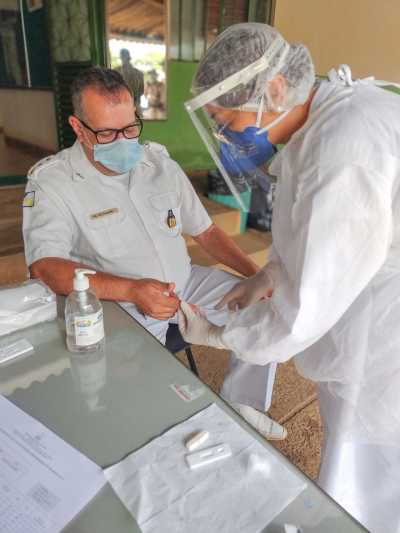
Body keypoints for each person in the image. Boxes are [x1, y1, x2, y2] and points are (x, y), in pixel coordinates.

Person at [179, 22, 400, 533]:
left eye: (225, 119)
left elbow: (307, 307)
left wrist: (222, 334)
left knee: (370, 452)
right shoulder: (316, 125)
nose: (224, 135)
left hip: (388, 320)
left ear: (273, 89)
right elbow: (304, 228)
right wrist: (269, 274)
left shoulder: (345, 146)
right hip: (370, 288)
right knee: (348, 427)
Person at [22, 66, 286, 440]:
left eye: (130, 128)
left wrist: (256, 276)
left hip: (186, 283)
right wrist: (131, 290)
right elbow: (46, 267)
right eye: (108, 133)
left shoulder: (158, 163)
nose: (123, 141)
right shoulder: (53, 183)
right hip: (118, 306)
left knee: (266, 311)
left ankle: (242, 405)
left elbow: (206, 232)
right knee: (135, 408)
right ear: (78, 128)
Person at [117, 48, 144, 116]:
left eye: (123, 56)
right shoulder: (139, 73)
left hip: (124, 105)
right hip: (132, 105)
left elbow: (141, 91)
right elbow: (141, 91)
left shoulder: (116, 72)